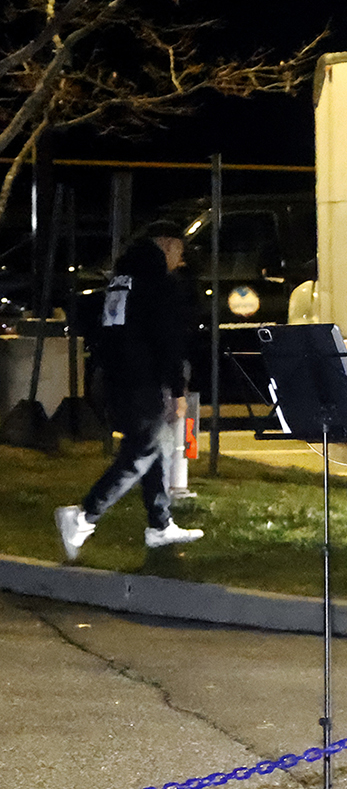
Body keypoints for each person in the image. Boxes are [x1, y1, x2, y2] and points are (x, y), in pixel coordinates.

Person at [55, 220, 205, 559]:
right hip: (143, 380)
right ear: (166, 244)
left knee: (157, 449)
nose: (180, 260)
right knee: (141, 453)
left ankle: (160, 524)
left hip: (116, 377)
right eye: (179, 250)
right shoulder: (157, 282)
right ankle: (83, 516)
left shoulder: (122, 278)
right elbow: (166, 339)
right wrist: (178, 391)